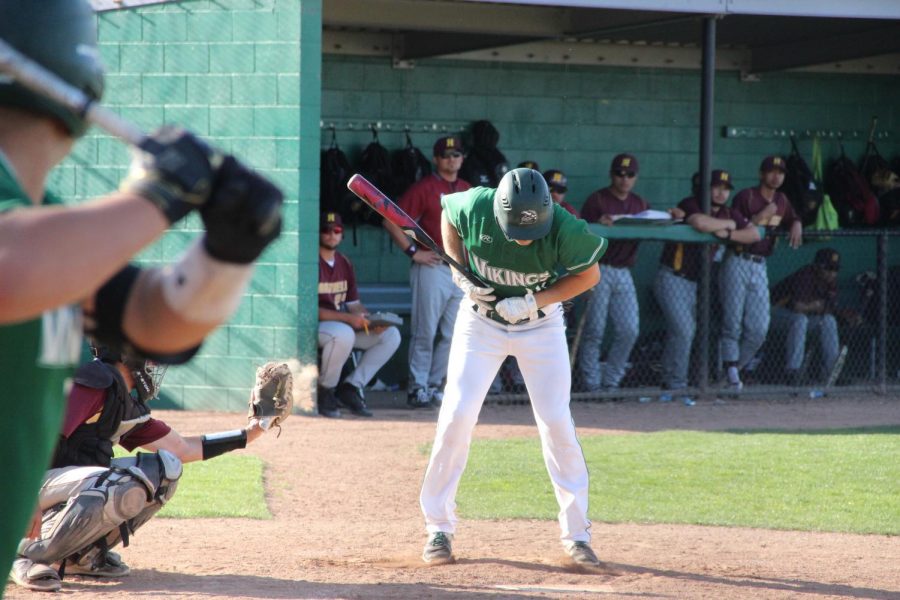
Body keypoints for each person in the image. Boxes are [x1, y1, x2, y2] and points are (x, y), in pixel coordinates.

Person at [0, 0, 283, 585]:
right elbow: (11, 266)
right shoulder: (33, 242)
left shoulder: (47, 225)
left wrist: (225, 255)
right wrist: (155, 196)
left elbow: (154, 322)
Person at [419, 168, 608, 567]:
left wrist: (533, 302)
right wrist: (458, 270)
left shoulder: (563, 226)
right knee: (456, 414)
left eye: (532, 230)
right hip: (480, 322)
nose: (525, 238)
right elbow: (447, 214)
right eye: (517, 230)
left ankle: (577, 535)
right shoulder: (477, 204)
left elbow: (590, 274)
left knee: (556, 422)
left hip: (540, 327)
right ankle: (439, 527)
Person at [11, 346, 277, 592]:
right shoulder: (93, 382)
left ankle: (82, 555)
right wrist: (27, 495)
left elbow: (182, 449)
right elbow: (36, 437)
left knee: (164, 471)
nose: (153, 362)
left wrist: (254, 430)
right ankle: (22, 554)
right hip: (21, 483)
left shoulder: (121, 399)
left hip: (57, 484)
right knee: (117, 484)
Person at [653, 170, 760, 406]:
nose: (721, 192)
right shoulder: (690, 203)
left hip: (695, 283)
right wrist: (730, 225)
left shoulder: (728, 211)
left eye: (726, 188)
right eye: (716, 187)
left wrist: (729, 230)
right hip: (672, 277)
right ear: (705, 188)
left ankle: (669, 379)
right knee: (684, 330)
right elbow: (700, 222)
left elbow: (753, 234)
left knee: (681, 332)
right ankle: (677, 384)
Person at [383, 136, 470, 409]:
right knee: (425, 330)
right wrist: (413, 252)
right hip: (432, 266)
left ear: (462, 158)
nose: (451, 159)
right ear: (436, 159)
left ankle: (434, 385)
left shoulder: (468, 189)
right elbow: (390, 219)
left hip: (460, 270)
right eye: (446, 155)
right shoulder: (425, 187)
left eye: (456, 154)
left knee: (454, 333)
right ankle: (417, 386)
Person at [720, 155, 803, 392]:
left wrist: (796, 222)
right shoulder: (746, 196)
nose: (776, 176)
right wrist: (763, 215)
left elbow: (793, 217)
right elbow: (735, 226)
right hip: (737, 258)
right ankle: (732, 375)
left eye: (780, 172)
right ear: (761, 174)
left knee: (758, 329)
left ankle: (731, 372)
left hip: (760, 264)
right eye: (771, 171)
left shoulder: (783, 200)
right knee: (732, 323)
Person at [576, 153, 648, 393]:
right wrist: (599, 223)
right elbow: (581, 235)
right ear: (611, 174)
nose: (624, 178)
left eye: (630, 174)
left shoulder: (640, 203)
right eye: (620, 173)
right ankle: (592, 384)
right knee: (594, 329)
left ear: (636, 177)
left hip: (624, 271)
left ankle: (611, 382)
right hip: (599, 268)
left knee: (629, 330)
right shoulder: (597, 200)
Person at [319, 212, 401, 418]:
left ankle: (351, 387)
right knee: (344, 333)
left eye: (336, 230)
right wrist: (350, 319)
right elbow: (312, 310)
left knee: (390, 335)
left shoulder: (344, 262)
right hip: (317, 327)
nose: (331, 234)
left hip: (341, 325)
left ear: (342, 234)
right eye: (326, 230)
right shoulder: (311, 263)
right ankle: (325, 390)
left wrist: (370, 320)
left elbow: (353, 304)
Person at [770, 248, 845, 386]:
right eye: (828, 269)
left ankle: (831, 372)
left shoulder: (830, 281)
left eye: (835, 269)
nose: (832, 273)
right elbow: (798, 307)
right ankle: (793, 371)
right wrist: (816, 306)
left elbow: (828, 308)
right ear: (817, 266)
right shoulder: (805, 275)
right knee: (800, 319)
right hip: (773, 313)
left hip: (797, 317)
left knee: (829, 321)